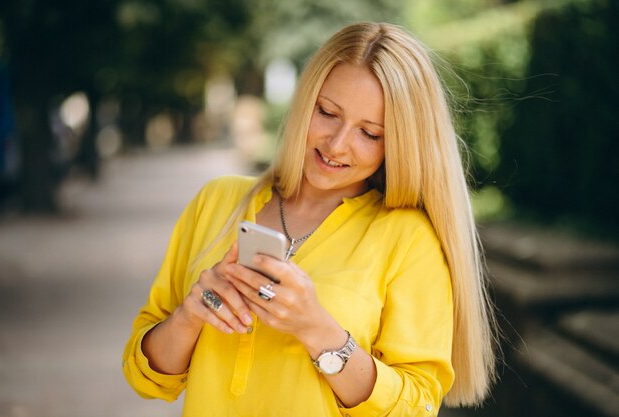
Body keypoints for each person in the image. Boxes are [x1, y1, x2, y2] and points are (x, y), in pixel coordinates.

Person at [123, 22, 497, 416]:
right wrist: (191, 314)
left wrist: (318, 330)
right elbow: (144, 376)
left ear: (399, 144)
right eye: (328, 112)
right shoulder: (216, 201)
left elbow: (418, 406)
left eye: (370, 134)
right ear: (306, 101)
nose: (337, 145)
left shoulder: (409, 240)